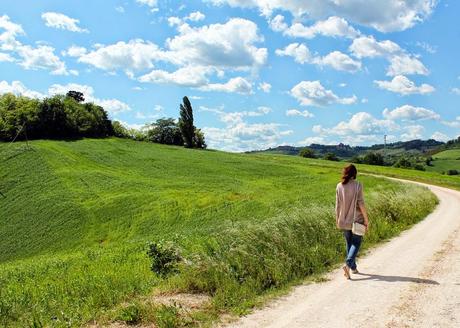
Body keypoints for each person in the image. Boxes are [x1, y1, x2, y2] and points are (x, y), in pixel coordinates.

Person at [335, 164, 369, 279]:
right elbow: (361, 203)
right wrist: (366, 219)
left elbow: (337, 206)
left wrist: (337, 220)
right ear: (354, 173)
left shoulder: (339, 186)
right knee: (356, 243)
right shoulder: (358, 185)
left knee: (349, 244)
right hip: (357, 220)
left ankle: (353, 268)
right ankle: (348, 264)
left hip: (343, 220)